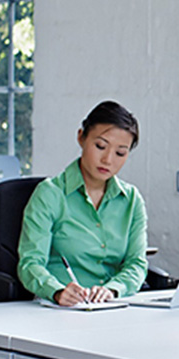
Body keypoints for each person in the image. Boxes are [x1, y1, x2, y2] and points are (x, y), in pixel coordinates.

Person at [18, 100, 148, 306]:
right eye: (100, 146)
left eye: (120, 153)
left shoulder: (131, 200)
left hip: (112, 307)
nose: (108, 159)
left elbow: (137, 264)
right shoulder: (50, 193)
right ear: (81, 137)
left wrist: (112, 290)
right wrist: (57, 291)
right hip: (60, 309)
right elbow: (30, 263)